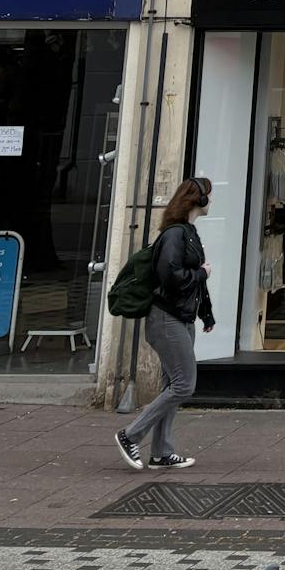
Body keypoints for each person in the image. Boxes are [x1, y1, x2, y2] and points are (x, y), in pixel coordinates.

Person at [115, 176, 215, 471]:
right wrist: (202, 274)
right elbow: (170, 276)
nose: (211, 200)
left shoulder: (189, 232)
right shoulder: (174, 234)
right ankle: (130, 435)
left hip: (182, 317)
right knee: (184, 385)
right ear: (198, 199)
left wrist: (206, 313)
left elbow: (195, 279)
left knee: (172, 383)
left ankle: (161, 453)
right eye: (209, 195)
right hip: (166, 318)